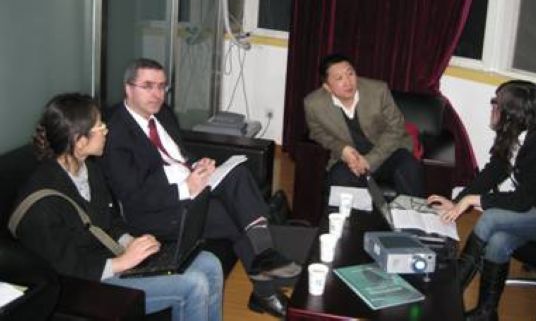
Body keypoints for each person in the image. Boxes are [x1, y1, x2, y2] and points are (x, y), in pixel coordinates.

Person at [101, 58, 300, 319]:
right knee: (233, 215)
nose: (157, 94)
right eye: (147, 86)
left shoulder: (162, 113)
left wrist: (197, 164)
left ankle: (265, 255)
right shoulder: (115, 132)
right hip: (157, 211)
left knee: (238, 174)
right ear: (128, 88)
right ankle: (265, 289)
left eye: (161, 86)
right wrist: (186, 187)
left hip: (190, 184)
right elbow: (134, 197)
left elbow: (178, 154)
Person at [12, 93, 223, 321]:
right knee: (194, 284)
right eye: (100, 126)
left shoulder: (89, 169)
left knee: (210, 263)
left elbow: (110, 220)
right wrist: (122, 262)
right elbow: (65, 269)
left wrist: (129, 242)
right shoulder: (42, 203)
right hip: (84, 283)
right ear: (80, 141)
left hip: (111, 259)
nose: (106, 130)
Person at [427, 80, 536, 321]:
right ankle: (486, 313)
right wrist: (458, 200)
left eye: (496, 103)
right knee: (498, 241)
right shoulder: (516, 132)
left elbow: (523, 200)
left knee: (491, 218)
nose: (492, 107)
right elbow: (495, 170)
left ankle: (447, 297)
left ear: (514, 113)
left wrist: (472, 201)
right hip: (533, 207)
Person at [304, 53, 425, 197]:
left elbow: (396, 127)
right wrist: (341, 149)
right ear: (327, 87)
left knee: (409, 167)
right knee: (337, 179)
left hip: (387, 153)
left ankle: (411, 211)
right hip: (351, 160)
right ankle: (346, 213)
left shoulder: (378, 91)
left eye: (350, 74)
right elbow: (317, 132)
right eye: (339, 78)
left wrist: (369, 160)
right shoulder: (314, 104)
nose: (348, 82)